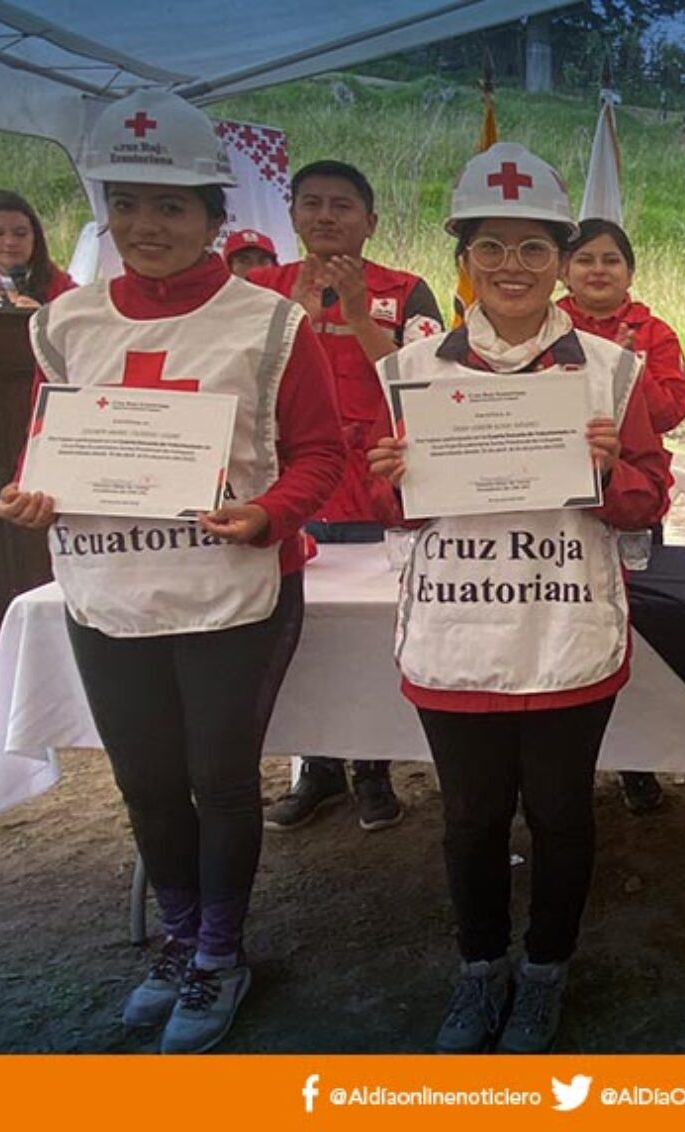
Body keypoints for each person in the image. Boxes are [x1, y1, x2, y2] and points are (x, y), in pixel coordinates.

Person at [0, 92, 344, 1053]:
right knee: (146, 780)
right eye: (129, 203)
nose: (147, 226)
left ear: (213, 218)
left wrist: (269, 513)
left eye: (173, 207)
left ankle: (222, 953)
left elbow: (323, 454)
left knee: (218, 780)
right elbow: (51, 443)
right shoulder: (64, 321)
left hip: (231, 586)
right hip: (106, 584)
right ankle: (181, 940)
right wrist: (33, 493)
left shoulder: (269, 324)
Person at [365, 143, 669, 1054]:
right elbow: (384, 508)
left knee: (564, 813)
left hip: (564, 622)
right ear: (463, 257)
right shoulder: (412, 372)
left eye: (534, 248)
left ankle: (545, 972)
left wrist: (613, 471)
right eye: (490, 246)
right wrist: (388, 482)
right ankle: (479, 969)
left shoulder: (613, 368)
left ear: (561, 260)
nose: (511, 266)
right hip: (458, 627)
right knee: (469, 818)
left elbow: (649, 498)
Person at [252, 160, 446, 834]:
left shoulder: (407, 290)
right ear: (294, 215)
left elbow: (420, 381)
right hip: (292, 494)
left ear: (370, 220)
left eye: (342, 205)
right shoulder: (260, 290)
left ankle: (373, 766)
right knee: (306, 640)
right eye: (311, 204)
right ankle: (318, 768)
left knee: (373, 639)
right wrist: (298, 320)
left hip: (376, 488)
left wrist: (359, 316)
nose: (326, 216)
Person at [557, 218, 685, 816]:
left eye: (611, 259)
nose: (598, 270)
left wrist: (628, 369)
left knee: (631, 632)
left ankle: (636, 762)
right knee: (567, 630)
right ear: (564, 270)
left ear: (630, 273)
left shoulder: (653, 333)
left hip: (630, 496)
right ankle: (568, 766)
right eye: (585, 259)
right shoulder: (544, 326)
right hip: (555, 507)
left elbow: (669, 413)